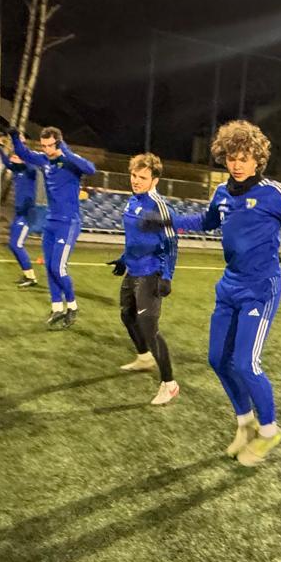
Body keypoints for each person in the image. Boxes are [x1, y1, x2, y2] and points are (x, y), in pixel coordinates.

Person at [146, 119, 281, 466]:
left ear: (258, 160)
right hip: (229, 286)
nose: (237, 164)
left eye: (244, 158)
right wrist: (168, 221)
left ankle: (269, 431)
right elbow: (207, 222)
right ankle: (245, 423)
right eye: (231, 157)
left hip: (260, 288)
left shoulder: (273, 192)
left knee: (246, 363)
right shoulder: (222, 193)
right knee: (217, 359)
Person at [9, 125, 96, 328]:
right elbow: (24, 153)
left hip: (68, 223)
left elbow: (90, 169)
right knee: (49, 267)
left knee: (58, 267)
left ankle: (72, 306)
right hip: (50, 223)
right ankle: (57, 308)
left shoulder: (70, 160)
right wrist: (14, 137)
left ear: (58, 142)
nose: (46, 149)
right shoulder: (44, 160)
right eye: (43, 145)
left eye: (50, 145)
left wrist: (65, 150)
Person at [111, 153, 180, 406]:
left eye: (142, 177)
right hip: (133, 270)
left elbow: (172, 245)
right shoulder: (132, 201)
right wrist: (123, 259)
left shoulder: (159, 207)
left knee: (149, 327)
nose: (136, 181)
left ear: (155, 180)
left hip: (151, 272)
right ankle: (144, 357)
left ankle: (169, 384)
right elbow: (134, 239)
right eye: (133, 175)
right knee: (127, 315)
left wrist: (167, 276)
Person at [0, 137, 42, 289]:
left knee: (17, 244)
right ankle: (28, 275)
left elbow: (30, 163)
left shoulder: (30, 170)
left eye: (16, 155)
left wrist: (21, 148)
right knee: (13, 245)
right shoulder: (17, 170)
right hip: (19, 214)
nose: (13, 156)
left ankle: (31, 278)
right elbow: (5, 161)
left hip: (27, 214)